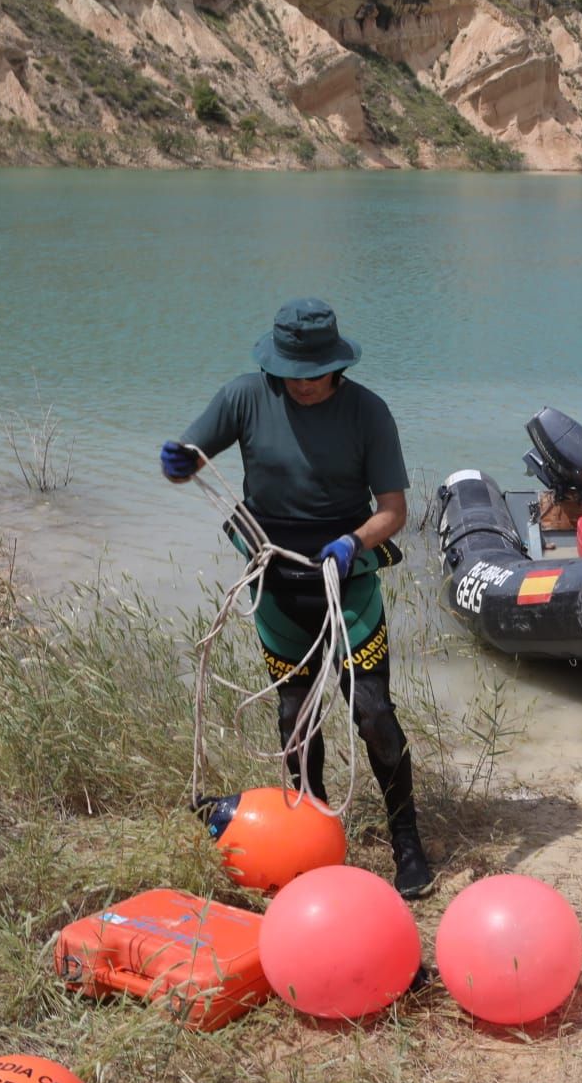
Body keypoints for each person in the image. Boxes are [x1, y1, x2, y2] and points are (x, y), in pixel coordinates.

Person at [161, 298, 436, 899]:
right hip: (276, 582)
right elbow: (190, 462)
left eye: (314, 373)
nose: (303, 385)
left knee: (375, 717)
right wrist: (177, 463)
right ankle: (312, 845)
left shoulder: (369, 413)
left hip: (347, 582)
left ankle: (407, 843)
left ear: (337, 365)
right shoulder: (244, 397)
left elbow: (393, 511)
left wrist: (351, 542)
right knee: (294, 720)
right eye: (291, 373)